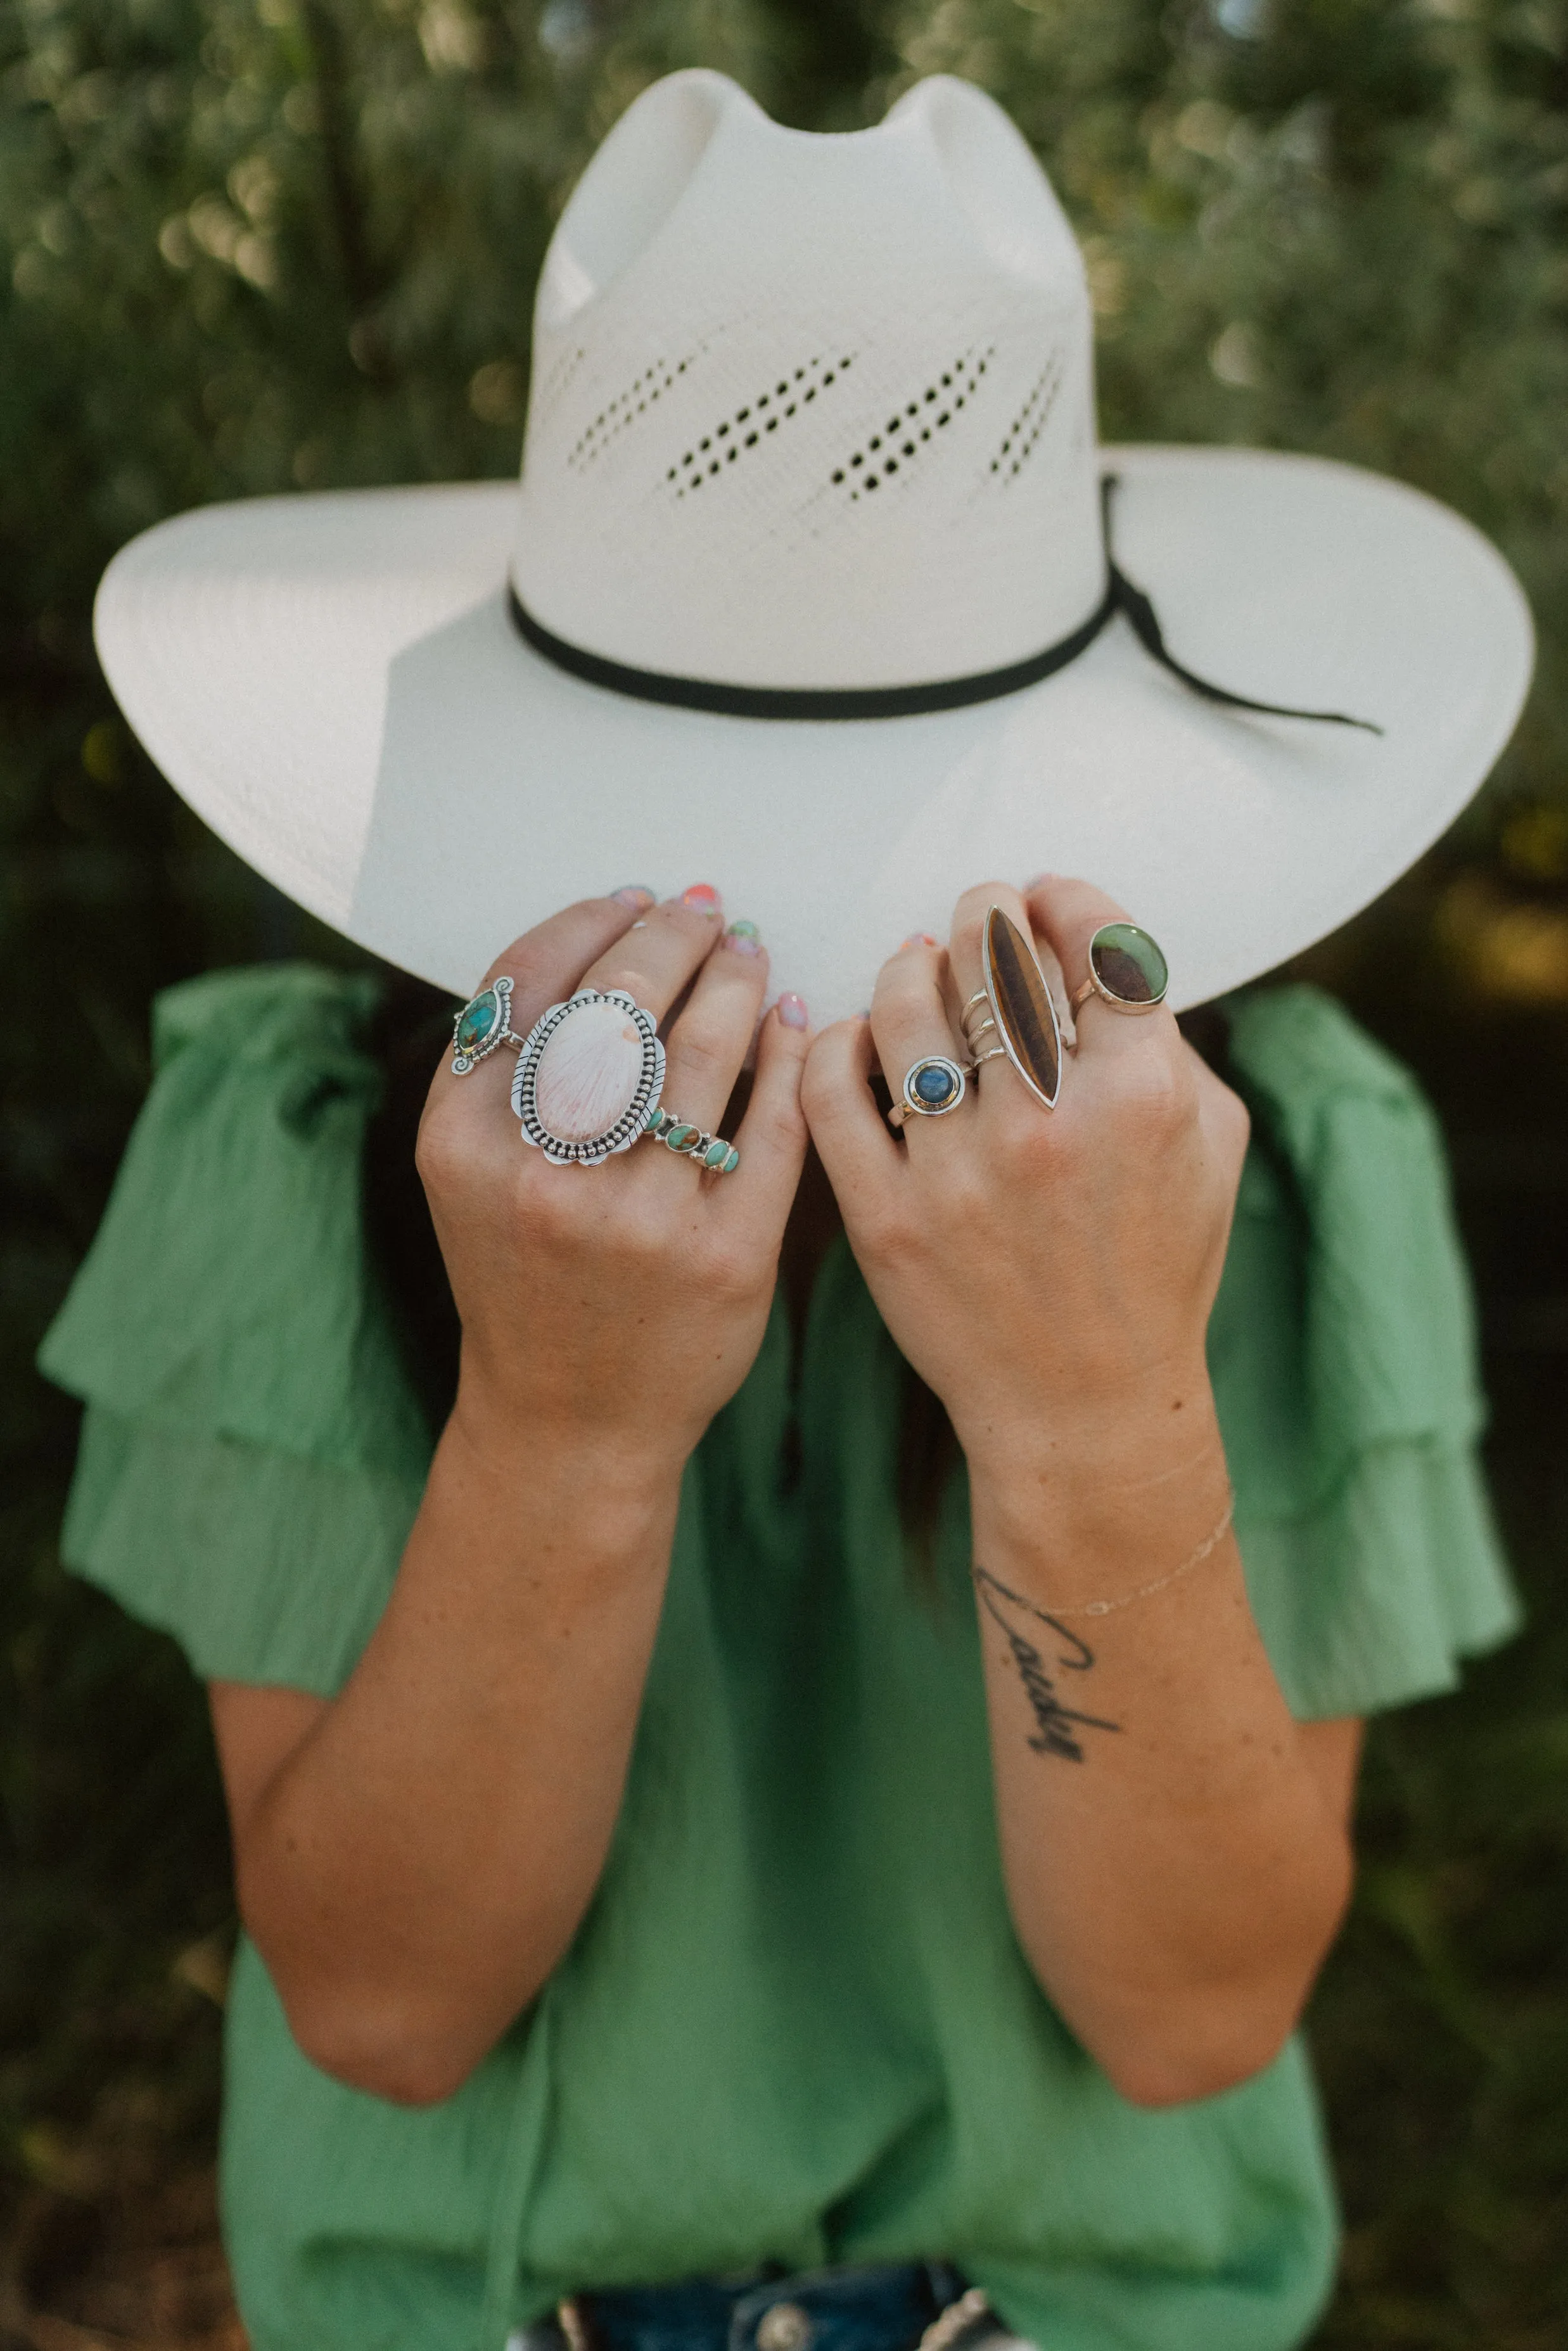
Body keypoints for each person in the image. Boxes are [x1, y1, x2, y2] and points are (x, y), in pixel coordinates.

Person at [41, 67, 1530, 2351]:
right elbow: (383, 2000)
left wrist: (1095, 1415)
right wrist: (561, 1431)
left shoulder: (1288, 1160)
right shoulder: (294, 1136)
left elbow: (1195, 2015)